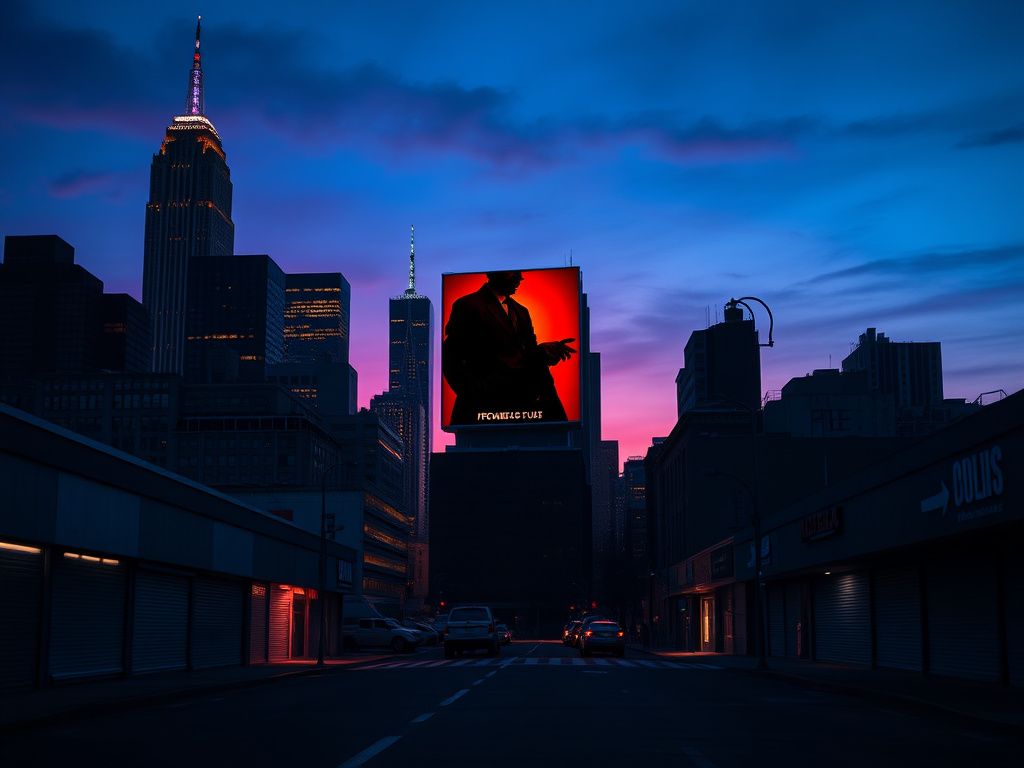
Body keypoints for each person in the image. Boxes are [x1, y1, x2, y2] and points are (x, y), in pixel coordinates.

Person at [443, 270, 576, 426]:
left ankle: (562, 428)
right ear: (493, 274)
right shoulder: (467, 305)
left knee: (558, 427)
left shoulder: (522, 311)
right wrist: (472, 393)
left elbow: (527, 356)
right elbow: (451, 356)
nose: (520, 278)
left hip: (524, 407)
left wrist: (545, 352)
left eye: (519, 274)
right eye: (513, 273)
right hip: (483, 410)